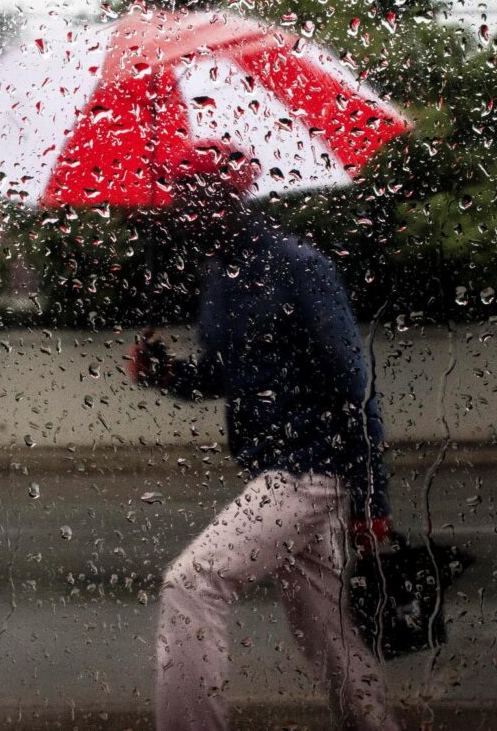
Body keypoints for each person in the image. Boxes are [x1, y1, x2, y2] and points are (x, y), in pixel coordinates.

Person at [128, 172, 399, 731]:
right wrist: (162, 372)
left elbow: (353, 383)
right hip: (276, 471)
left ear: (229, 197)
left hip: (310, 470)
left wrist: (373, 497)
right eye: (181, 200)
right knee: (325, 630)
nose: (184, 212)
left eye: (195, 198)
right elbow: (228, 376)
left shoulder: (297, 265)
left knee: (192, 581)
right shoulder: (221, 278)